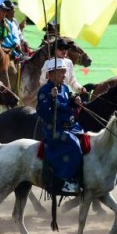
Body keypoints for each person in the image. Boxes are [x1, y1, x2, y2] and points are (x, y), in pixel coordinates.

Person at [36, 61, 84, 194]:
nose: (65, 75)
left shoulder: (65, 88)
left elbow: (67, 107)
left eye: (65, 71)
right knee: (74, 145)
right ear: (51, 74)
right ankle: (67, 181)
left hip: (72, 127)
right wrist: (50, 98)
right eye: (61, 72)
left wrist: (74, 103)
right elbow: (41, 111)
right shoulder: (45, 90)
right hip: (55, 130)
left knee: (88, 141)